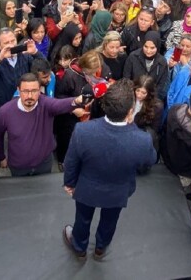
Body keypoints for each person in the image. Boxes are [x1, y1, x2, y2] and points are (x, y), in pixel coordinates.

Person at [62, 79, 157, 260]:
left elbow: (71, 161)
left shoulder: (83, 130)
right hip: (118, 191)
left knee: (82, 219)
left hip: (86, 189)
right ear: (130, 112)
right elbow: (150, 160)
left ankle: (79, 247)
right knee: (110, 221)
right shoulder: (142, 140)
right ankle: (100, 247)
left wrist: (69, 183)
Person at [0, 73, 88, 176]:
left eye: (34, 91)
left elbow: (59, 105)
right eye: (25, 91)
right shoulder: (4, 112)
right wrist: (1, 156)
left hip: (43, 164)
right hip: (18, 166)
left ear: (40, 90)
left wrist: (77, 101)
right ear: (18, 90)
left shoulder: (46, 105)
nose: (30, 96)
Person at [0, 27, 42, 116]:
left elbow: (44, 67)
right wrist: (0, 58)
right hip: (2, 105)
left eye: (13, 41)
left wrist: (35, 52)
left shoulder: (24, 54)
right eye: (6, 43)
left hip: (23, 103)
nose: (11, 45)